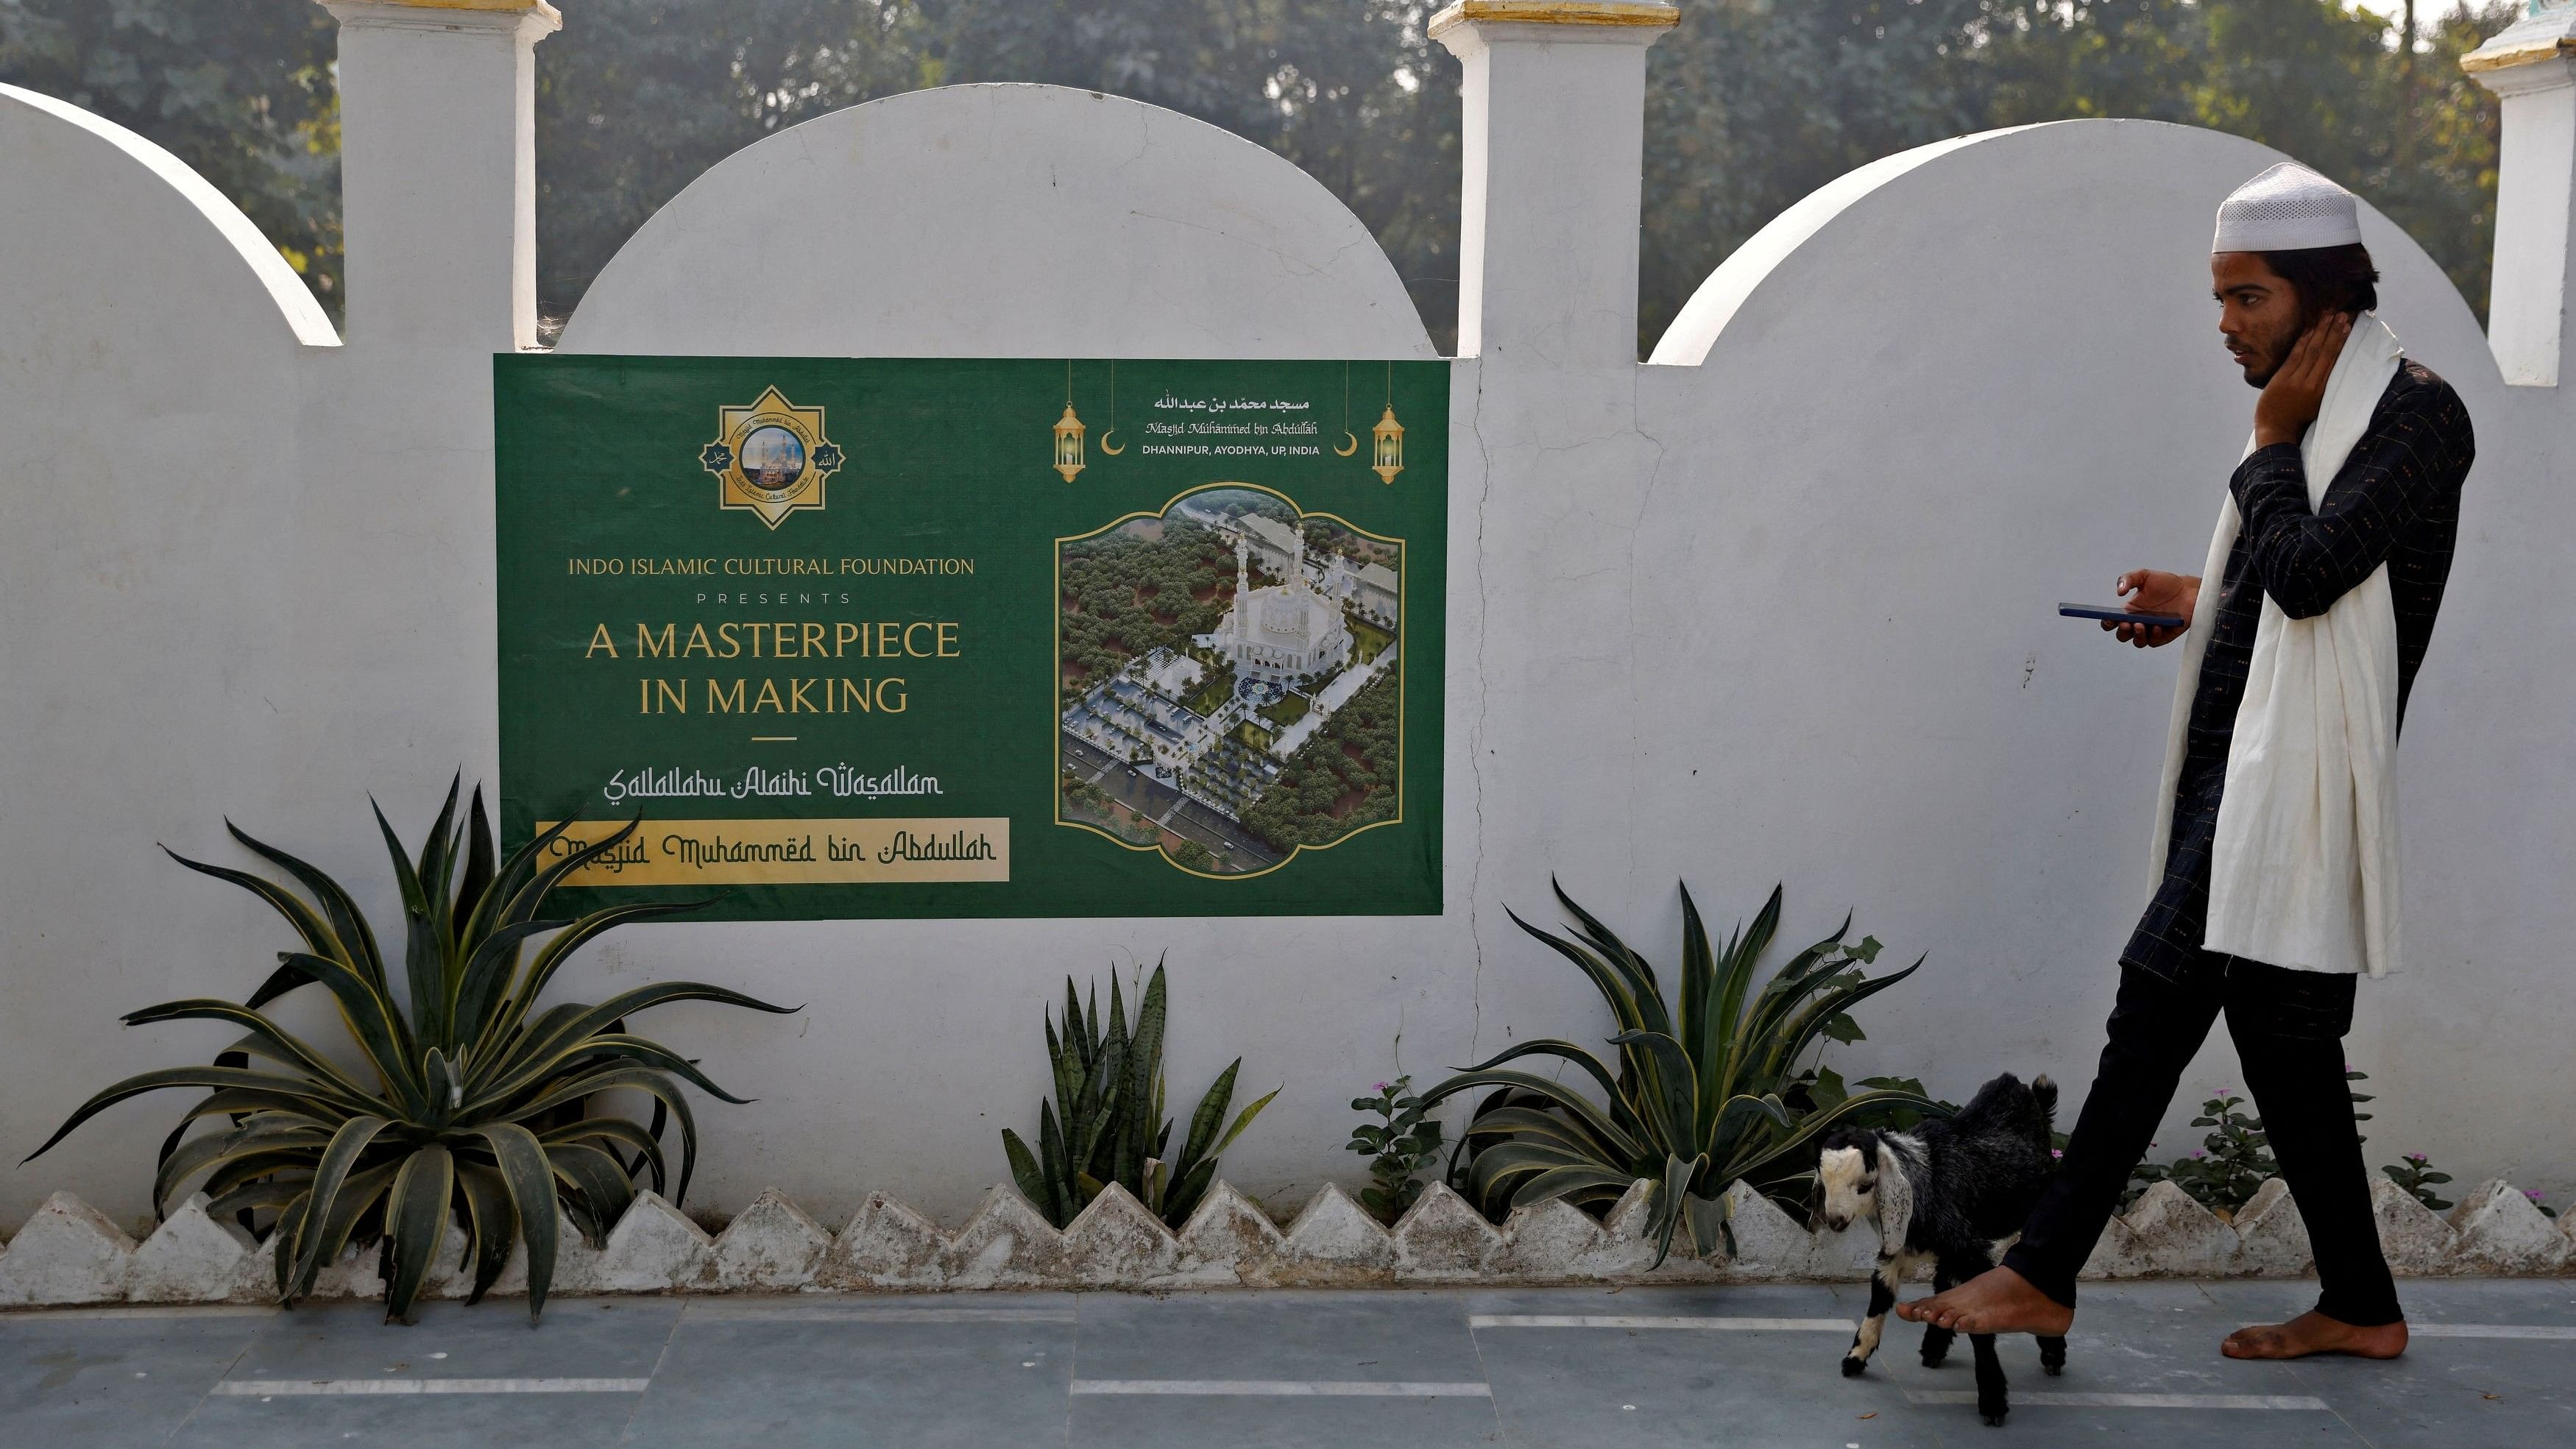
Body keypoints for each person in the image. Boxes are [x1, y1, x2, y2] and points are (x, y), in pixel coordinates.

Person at [1897, 161, 2475, 1359]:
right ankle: (2363, 1305)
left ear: (2325, 302)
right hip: (2246, 769)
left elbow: (2317, 576)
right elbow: (2292, 572)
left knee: (2151, 1001)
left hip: (2290, 782)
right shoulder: (2336, 411)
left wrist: (2265, 447)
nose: (2223, 325)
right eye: (2220, 298)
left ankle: (2046, 1268)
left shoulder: (2418, 413)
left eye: (2246, 299)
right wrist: (2204, 597)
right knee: (2285, 1042)